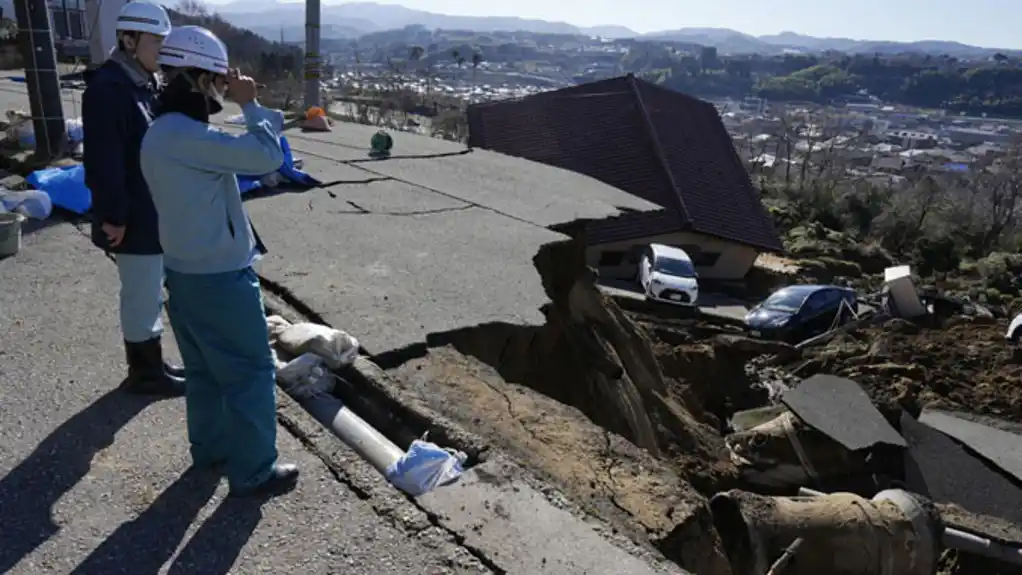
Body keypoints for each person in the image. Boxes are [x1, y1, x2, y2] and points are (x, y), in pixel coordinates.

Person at [140, 25, 298, 496]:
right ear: (197, 78)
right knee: (250, 372)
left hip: (185, 272)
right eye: (215, 80)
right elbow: (268, 157)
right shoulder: (185, 135)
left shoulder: (165, 130)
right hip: (219, 277)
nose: (220, 89)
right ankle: (252, 471)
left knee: (206, 371)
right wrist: (249, 103)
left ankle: (210, 450)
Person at [82, 1, 185, 397]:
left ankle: (153, 361)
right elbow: (103, 162)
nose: (161, 48)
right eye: (155, 40)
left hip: (149, 211)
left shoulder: (141, 82)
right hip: (130, 216)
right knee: (141, 293)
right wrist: (113, 216)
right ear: (129, 39)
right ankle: (144, 373)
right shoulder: (109, 90)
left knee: (149, 290)